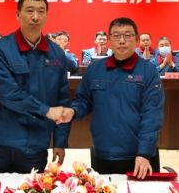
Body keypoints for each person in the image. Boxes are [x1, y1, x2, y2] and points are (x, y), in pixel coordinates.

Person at [0, 0, 71, 173]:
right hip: (1, 142)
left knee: (30, 191)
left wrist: (60, 141)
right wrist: (46, 111)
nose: (35, 17)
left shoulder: (57, 54)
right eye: (29, 11)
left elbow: (62, 100)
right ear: (18, 14)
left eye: (41, 11)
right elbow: (7, 93)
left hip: (36, 144)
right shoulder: (1, 49)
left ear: (46, 16)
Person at [64, 17, 164, 179]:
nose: (122, 41)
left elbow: (152, 116)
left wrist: (144, 152)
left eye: (128, 35)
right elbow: (83, 101)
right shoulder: (95, 69)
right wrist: (73, 112)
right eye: (116, 36)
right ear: (109, 40)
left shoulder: (148, 71)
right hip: (104, 152)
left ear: (136, 39)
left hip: (138, 156)